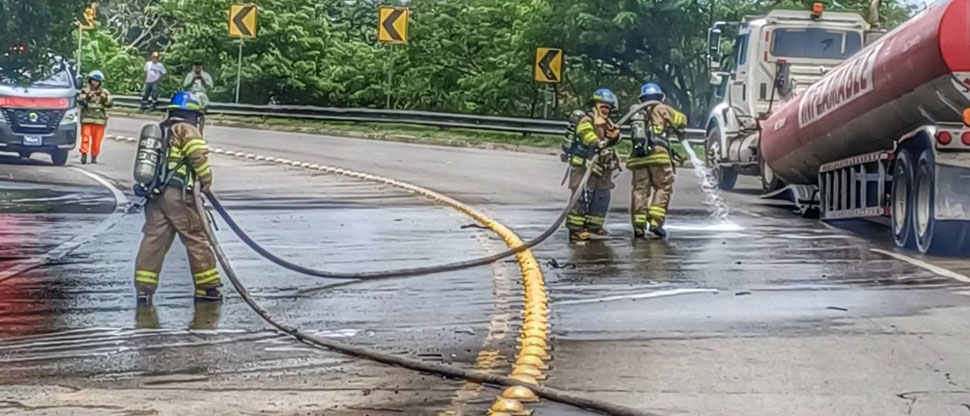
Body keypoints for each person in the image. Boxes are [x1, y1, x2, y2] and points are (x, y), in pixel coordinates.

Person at [133, 91, 221, 304]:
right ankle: (207, 289)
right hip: (178, 195)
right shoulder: (187, 129)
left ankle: (144, 290)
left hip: (156, 196)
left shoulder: (162, 129)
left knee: (154, 239)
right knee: (196, 236)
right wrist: (206, 179)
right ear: (194, 115)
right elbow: (197, 155)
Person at [627, 83, 687, 239]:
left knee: (640, 191)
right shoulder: (662, 108)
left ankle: (638, 227)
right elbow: (682, 120)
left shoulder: (637, 113)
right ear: (660, 97)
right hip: (659, 156)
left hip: (638, 158)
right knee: (663, 187)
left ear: (643, 99)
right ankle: (655, 222)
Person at [564, 88, 621, 243]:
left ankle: (594, 227)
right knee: (580, 197)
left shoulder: (607, 122)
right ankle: (576, 230)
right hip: (583, 166)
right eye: (603, 106)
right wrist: (598, 142)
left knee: (602, 196)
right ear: (595, 105)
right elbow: (586, 134)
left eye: (608, 108)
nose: (606, 110)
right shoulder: (586, 119)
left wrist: (615, 137)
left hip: (601, 168)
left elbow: (612, 139)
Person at [77, 70, 112, 164]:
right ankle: (84, 154)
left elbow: (110, 104)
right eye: (93, 80)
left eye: (97, 81)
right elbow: (80, 100)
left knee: (97, 141)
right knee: (85, 138)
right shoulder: (85, 90)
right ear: (90, 80)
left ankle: (94, 157)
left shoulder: (104, 92)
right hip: (87, 119)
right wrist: (88, 96)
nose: (95, 83)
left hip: (99, 120)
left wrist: (104, 98)